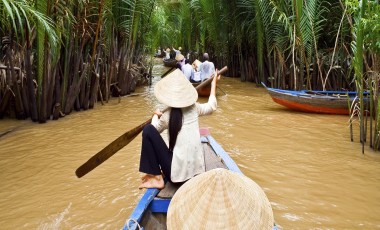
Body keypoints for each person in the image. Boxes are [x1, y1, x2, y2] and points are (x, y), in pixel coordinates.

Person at [138, 68, 221, 189]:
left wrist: (155, 115)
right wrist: (214, 83)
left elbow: (154, 129)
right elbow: (211, 106)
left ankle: (157, 177)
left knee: (147, 130)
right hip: (197, 173)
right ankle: (156, 176)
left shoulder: (167, 115)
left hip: (176, 178)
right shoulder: (194, 108)